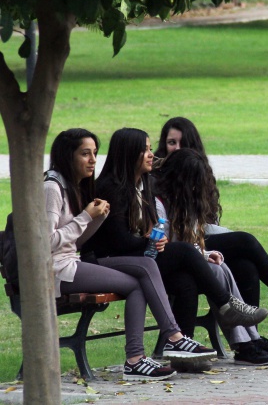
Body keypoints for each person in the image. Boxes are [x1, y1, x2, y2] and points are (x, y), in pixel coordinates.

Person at [46, 129, 218, 382]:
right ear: (66, 156)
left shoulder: (75, 186)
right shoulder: (52, 188)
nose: (93, 160)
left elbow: (77, 241)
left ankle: (137, 359)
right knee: (146, 268)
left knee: (139, 280)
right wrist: (85, 217)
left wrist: (97, 219)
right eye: (85, 154)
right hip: (56, 270)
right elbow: (46, 242)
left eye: (94, 153)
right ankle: (173, 338)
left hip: (71, 262)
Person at [80, 128, 268, 351]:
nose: (151, 154)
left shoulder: (143, 184)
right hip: (107, 262)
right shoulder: (111, 188)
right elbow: (119, 241)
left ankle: (180, 349)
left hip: (139, 257)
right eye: (144, 150)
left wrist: (160, 242)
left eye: (150, 149)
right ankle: (226, 305)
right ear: (128, 153)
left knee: (185, 280)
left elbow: (147, 231)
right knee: (185, 251)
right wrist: (150, 243)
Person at [154, 117, 268, 318]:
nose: (177, 148)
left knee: (246, 266)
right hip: (178, 249)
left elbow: (205, 223)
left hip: (197, 239)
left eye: (183, 143)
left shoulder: (199, 173)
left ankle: (250, 335)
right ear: (164, 145)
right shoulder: (157, 178)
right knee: (245, 241)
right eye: (172, 142)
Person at [153, 150, 268, 365]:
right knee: (230, 257)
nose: (195, 188)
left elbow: (190, 241)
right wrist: (201, 254)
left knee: (231, 267)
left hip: (186, 259)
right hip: (163, 264)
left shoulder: (185, 200)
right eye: (192, 183)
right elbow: (164, 246)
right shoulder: (159, 203)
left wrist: (205, 254)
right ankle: (243, 340)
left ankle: (250, 341)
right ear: (180, 180)